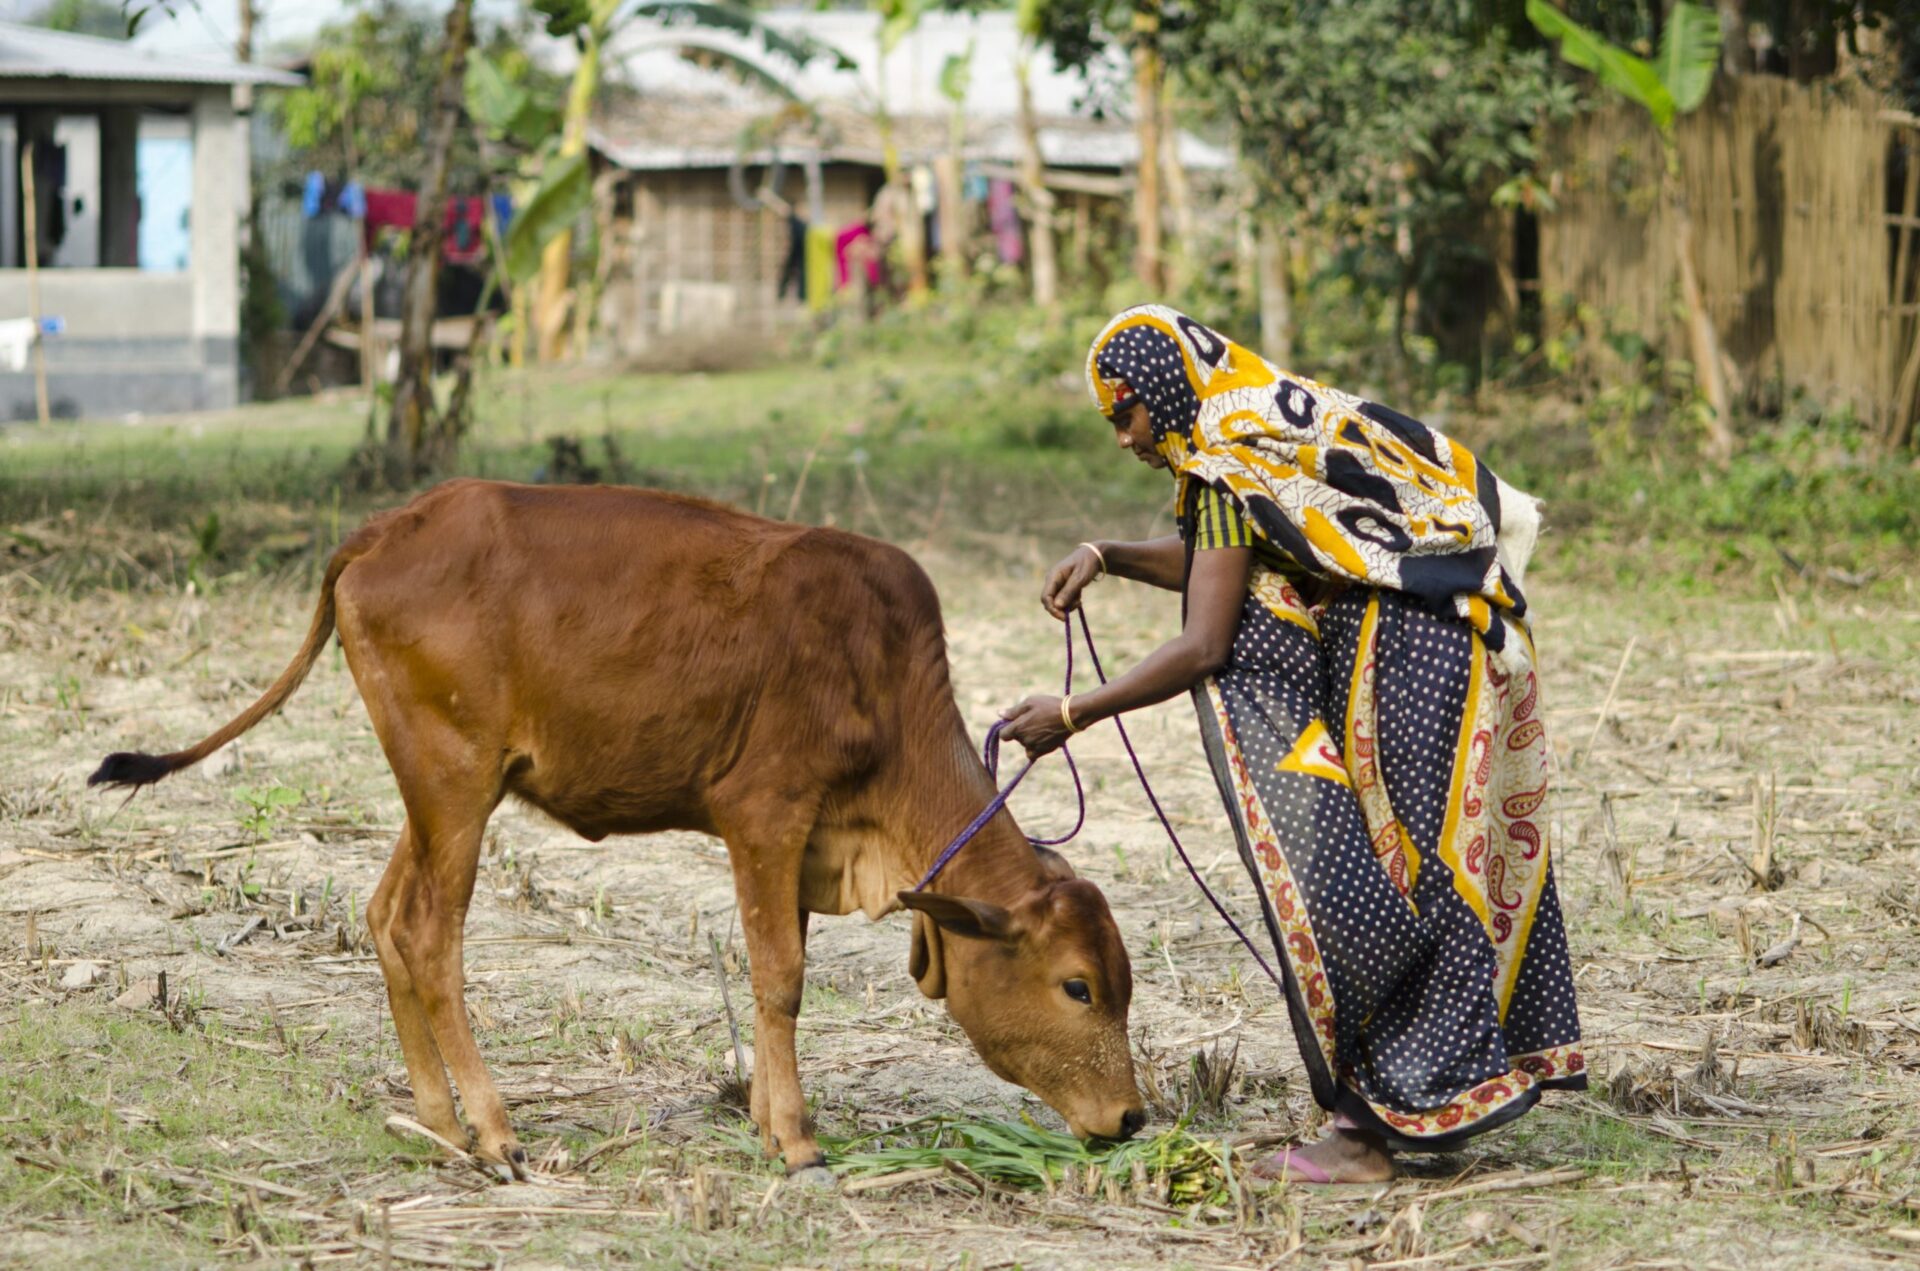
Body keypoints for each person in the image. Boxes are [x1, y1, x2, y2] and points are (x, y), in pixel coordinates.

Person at [998, 305, 1586, 1183]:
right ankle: (1398, 1106)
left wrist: (1075, 713)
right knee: (1399, 877)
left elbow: (1204, 639)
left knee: (1398, 881)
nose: (1121, 436)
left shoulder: (1230, 459)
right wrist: (1108, 552)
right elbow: (1229, 552)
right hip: (1427, 645)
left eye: (1124, 412)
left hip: (1421, 655)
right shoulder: (1244, 440)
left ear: (1163, 390)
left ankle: (1372, 1131)